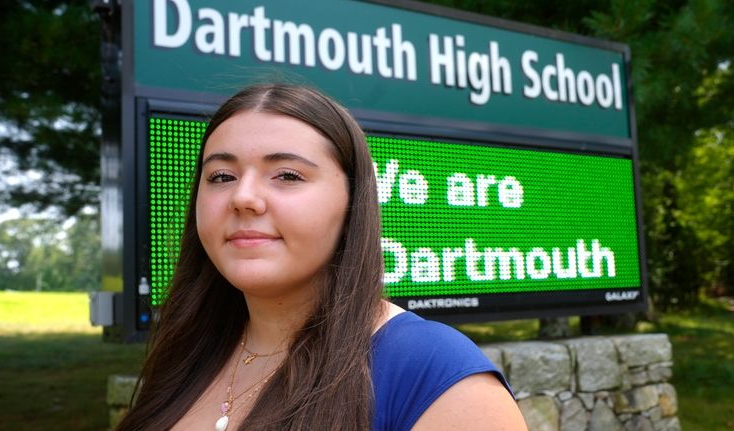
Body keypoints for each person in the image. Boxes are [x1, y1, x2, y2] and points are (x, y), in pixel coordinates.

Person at [114, 83, 528, 431]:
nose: (243, 197)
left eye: (288, 175)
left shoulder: (433, 372)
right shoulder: (187, 352)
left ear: (352, 206)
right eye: (222, 176)